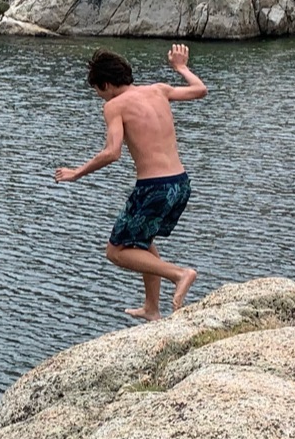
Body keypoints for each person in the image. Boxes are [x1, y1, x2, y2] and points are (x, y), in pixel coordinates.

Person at [55, 44, 208, 320]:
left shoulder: (114, 106)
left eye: (98, 91)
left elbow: (112, 152)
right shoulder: (159, 90)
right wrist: (181, 68)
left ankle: (179, 274)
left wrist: (76, 173)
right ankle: (151, 308)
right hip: (180, 184)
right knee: (142, 241)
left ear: (105, 85)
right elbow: (200, 90)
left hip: (154, 188)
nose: (99, 97)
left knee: (115, 251)